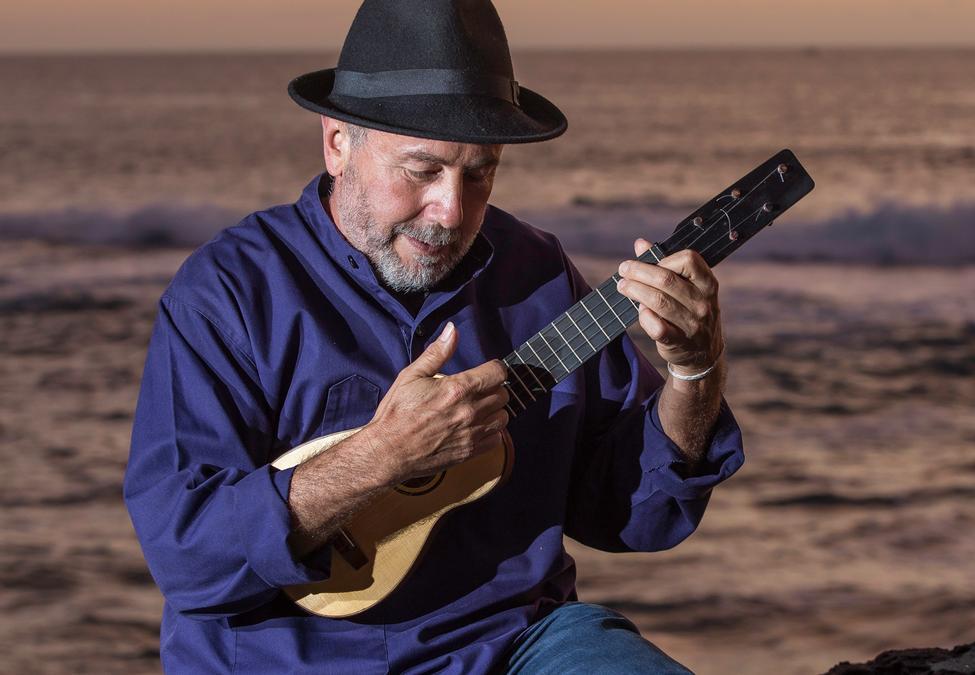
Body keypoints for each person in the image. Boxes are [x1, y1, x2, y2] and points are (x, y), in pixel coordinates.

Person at [124, 1, 744, 672]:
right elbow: (188, 556)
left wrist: (696, 373)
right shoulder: (228, 293)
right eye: (422, 170)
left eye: (480, 173)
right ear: (337, 142)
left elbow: (639, 513)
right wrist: (382, 455)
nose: (451, 208)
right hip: (289, 658)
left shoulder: (535, 276)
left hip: (511, 644)